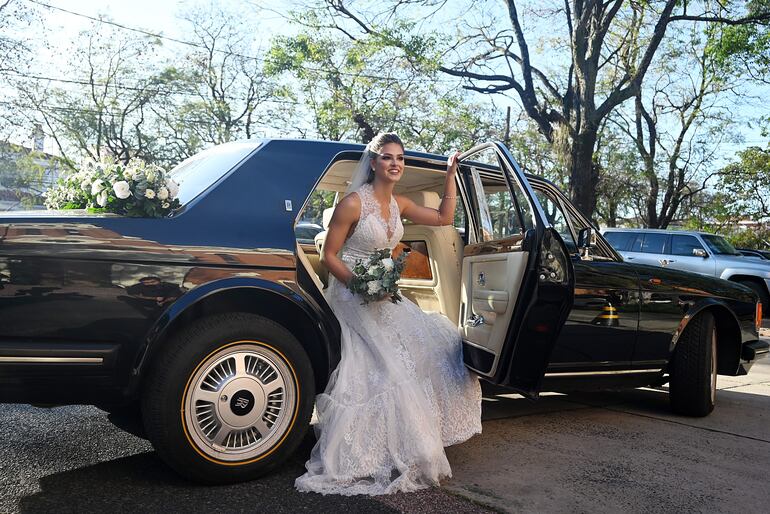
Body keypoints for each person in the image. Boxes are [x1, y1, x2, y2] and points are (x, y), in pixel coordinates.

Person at [295, 133, 482, 496]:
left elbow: (444, 218)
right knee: (386, 361)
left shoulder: (400, 204)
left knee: (434, 341)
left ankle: (411, 441)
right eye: (387, 158)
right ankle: (366, 452)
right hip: (352, 293)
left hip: (383, 292)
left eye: (400, 158)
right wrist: (362, 286)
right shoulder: (352, 204)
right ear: (374, 162)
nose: (395, 163)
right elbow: (330, 257)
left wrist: (450, 175)